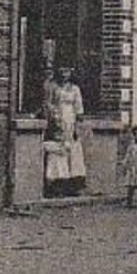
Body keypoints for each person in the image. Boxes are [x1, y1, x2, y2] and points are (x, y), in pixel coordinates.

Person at [44, 66, 87, 197]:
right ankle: (58, 184)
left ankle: (74, 183)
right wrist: (54, 117)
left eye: (67, 71)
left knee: (73, 150)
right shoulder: (54, 87)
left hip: (70, 119)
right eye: (62, 71)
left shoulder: (75, 89)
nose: (64, 74)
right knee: (59, 150)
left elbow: (78, 106)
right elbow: (49, 103)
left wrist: (77, 124)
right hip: (58, 118)